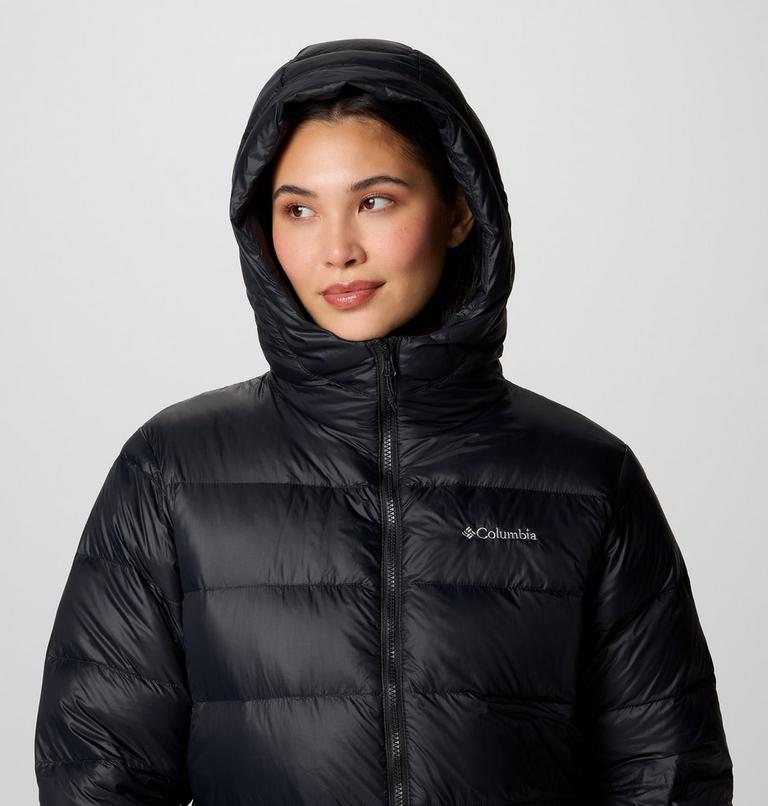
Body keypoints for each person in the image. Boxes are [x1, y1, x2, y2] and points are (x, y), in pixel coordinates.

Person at [34, 37, 734, 805]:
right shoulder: (172, 470)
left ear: (459, 210)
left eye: (375, 201)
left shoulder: (586, 477)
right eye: (299, 209)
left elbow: (666, 774)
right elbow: (99, 774)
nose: (337, 249)